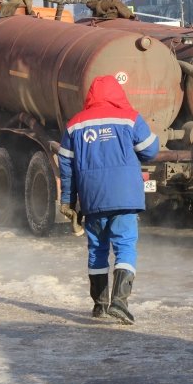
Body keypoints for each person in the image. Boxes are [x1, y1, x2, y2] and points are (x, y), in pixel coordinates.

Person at [58, 75, 159, 324]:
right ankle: (120, 303)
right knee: (124, 246)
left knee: (97, 250)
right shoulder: (130, 118)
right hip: (125, 196)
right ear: (118, 94)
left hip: (92, 198)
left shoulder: (74, 125)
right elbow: (150, 149)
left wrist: (68, 202)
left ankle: (100, 305)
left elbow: (66, 168)